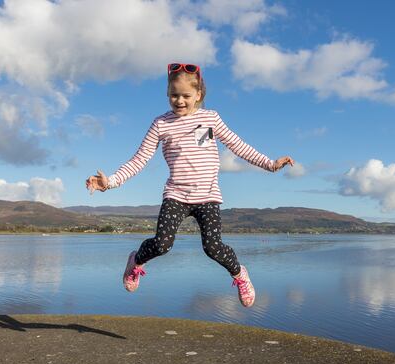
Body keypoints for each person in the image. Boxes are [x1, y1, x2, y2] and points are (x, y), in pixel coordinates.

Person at [85, 63, 295, 308]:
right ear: (167, 94)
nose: (180, 101)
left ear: (199, 95)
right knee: (162, 244)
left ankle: (240, 275)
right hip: (176, 194)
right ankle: (136, 261)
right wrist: (110, 182)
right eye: (174, 95)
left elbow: (238, 146)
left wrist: (270, 164)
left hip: (208, 196)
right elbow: (139, 160)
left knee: (213, 248)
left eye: (186, 95)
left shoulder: (210, 118)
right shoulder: (160, 124)